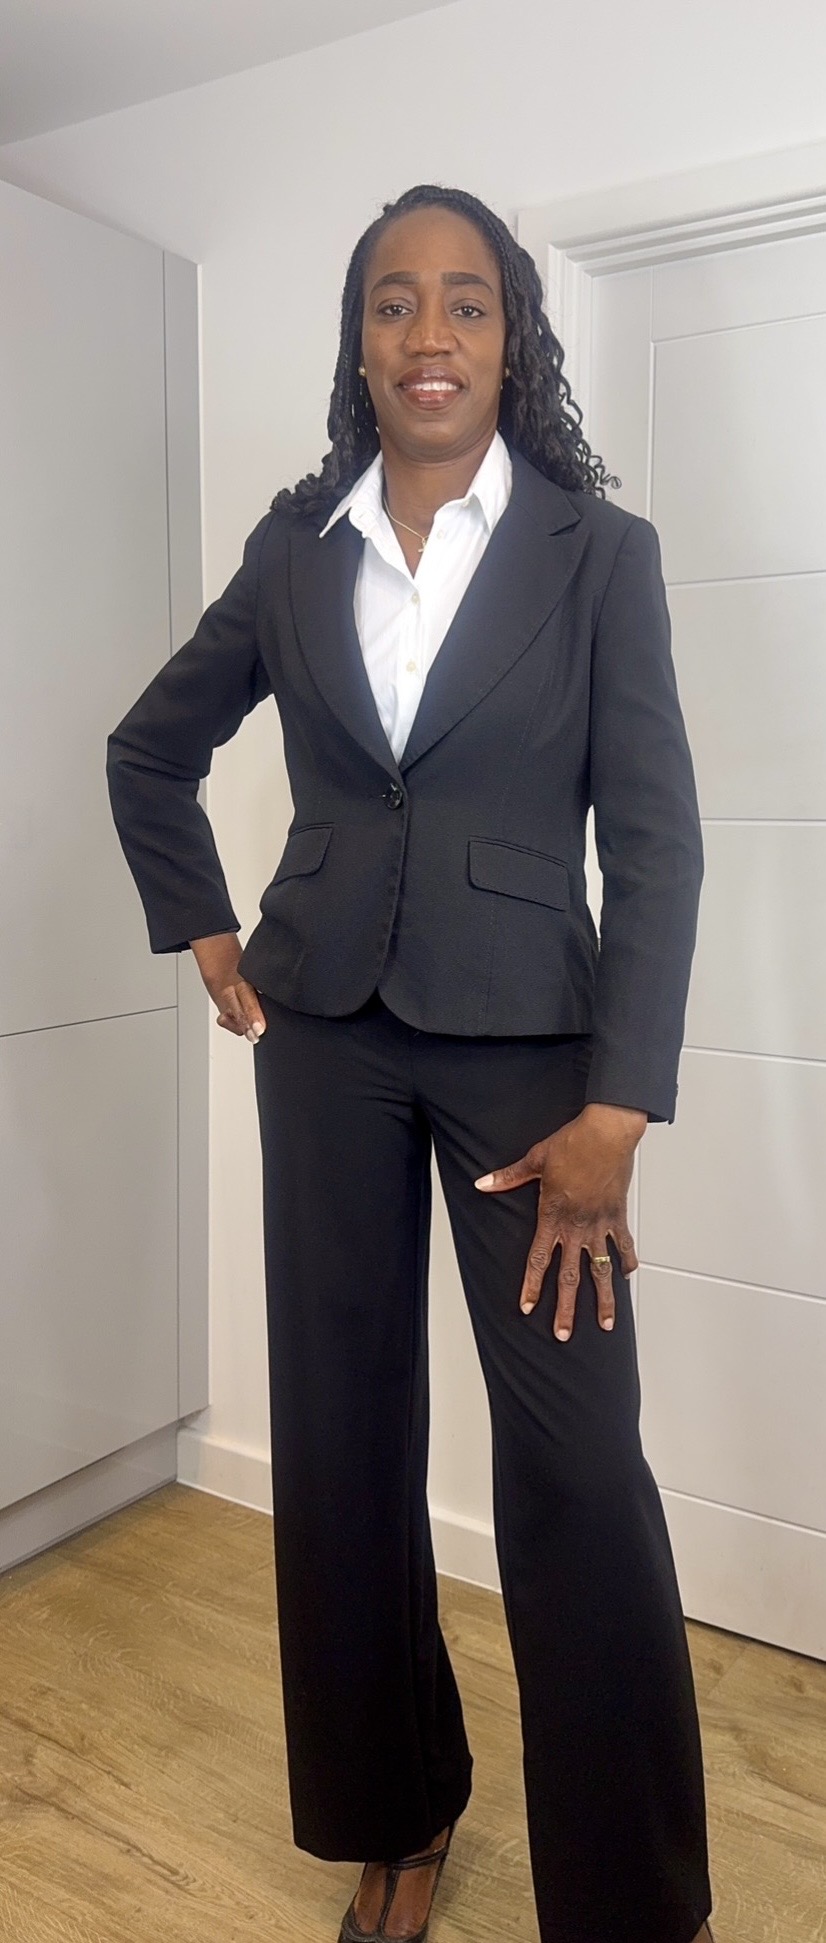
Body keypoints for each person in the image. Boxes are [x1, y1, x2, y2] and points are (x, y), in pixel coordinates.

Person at [106, 182, 715, 1943]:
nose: (426, 334)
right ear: (358, 340)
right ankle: (395, 1813)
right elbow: (151, 749)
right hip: (323, 1043)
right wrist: (203, 924)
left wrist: (619, 1103)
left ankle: (632, 1902)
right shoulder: (296, 545)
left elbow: (656, 839)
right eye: (392, 302)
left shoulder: (598, 553)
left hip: (534, 1067)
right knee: (342, 1438)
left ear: (511, 338)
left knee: (577, 1468)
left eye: (463, 302)